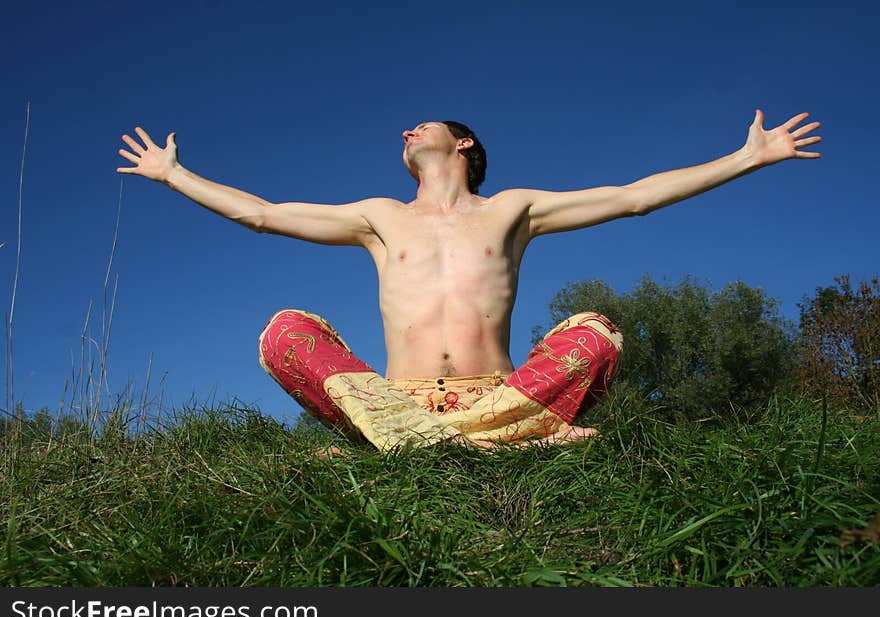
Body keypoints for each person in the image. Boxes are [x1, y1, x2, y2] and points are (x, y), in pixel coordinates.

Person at [117, 111, 821, 451]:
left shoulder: (513, 209)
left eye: (418, 125)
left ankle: (437, 441)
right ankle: (457, 439)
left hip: (501, 394)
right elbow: (266, 215)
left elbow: (634, 195)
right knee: (284, 333)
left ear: (462, 144)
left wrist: (745, 157)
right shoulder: (378, 216)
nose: (403, 132)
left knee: (597, 332)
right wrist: (174, 173)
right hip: (398, 398)